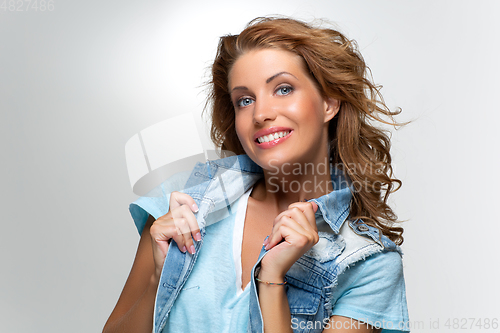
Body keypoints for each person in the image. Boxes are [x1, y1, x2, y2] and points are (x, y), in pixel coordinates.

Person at [103, 17, 410, 333]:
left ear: (329, 103)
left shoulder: (368, 263)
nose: (261, 113)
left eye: (283, 88)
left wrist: (272, 280)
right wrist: (157, 276)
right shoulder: (184, 202)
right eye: (245, 100)